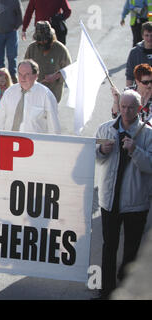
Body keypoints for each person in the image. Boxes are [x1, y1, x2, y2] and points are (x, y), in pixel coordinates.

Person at [95, 89, 152, 299]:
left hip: (135, 203)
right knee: (108, 248)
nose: (126, 111)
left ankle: (126, 289)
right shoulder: (105, 129)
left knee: (131, 250)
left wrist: (135, 150)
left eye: (131, 108)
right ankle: (106, 290)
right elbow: (93, 156)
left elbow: (150, 166)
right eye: (123, 107)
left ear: (139, 109)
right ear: (118, 107)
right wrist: (101, 151)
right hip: (109, 201)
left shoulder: (147, 134)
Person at [0, 59, 61, 133]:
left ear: (36, 76)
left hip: (35, 143)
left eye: (27, 74)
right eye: (20, 74)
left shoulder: (46, 95)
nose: (22, 78)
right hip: (9, 141)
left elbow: (54, 126)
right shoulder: (9, 92)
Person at [24, 21, 71, 103]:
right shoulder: (32, 48)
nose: (42, 42)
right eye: (40, 40)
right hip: (35, 93)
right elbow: (24, 68)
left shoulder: (60, 50)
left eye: (45, 39)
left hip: (53, 94)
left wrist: (56, 76)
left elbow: (69, 70)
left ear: (51, 37)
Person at [0, 0, 23, 83]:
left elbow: (20, 14)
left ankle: (13, 76)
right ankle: (0, 79)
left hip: (11, 33)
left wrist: (16, 26)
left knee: (12, 56)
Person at [126, 21, 152, 87]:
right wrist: (128, 93)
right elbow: (129, 76)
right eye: (147, 35)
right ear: (142, 36)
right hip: (141, 94)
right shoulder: (134, 53)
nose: (150, 38)